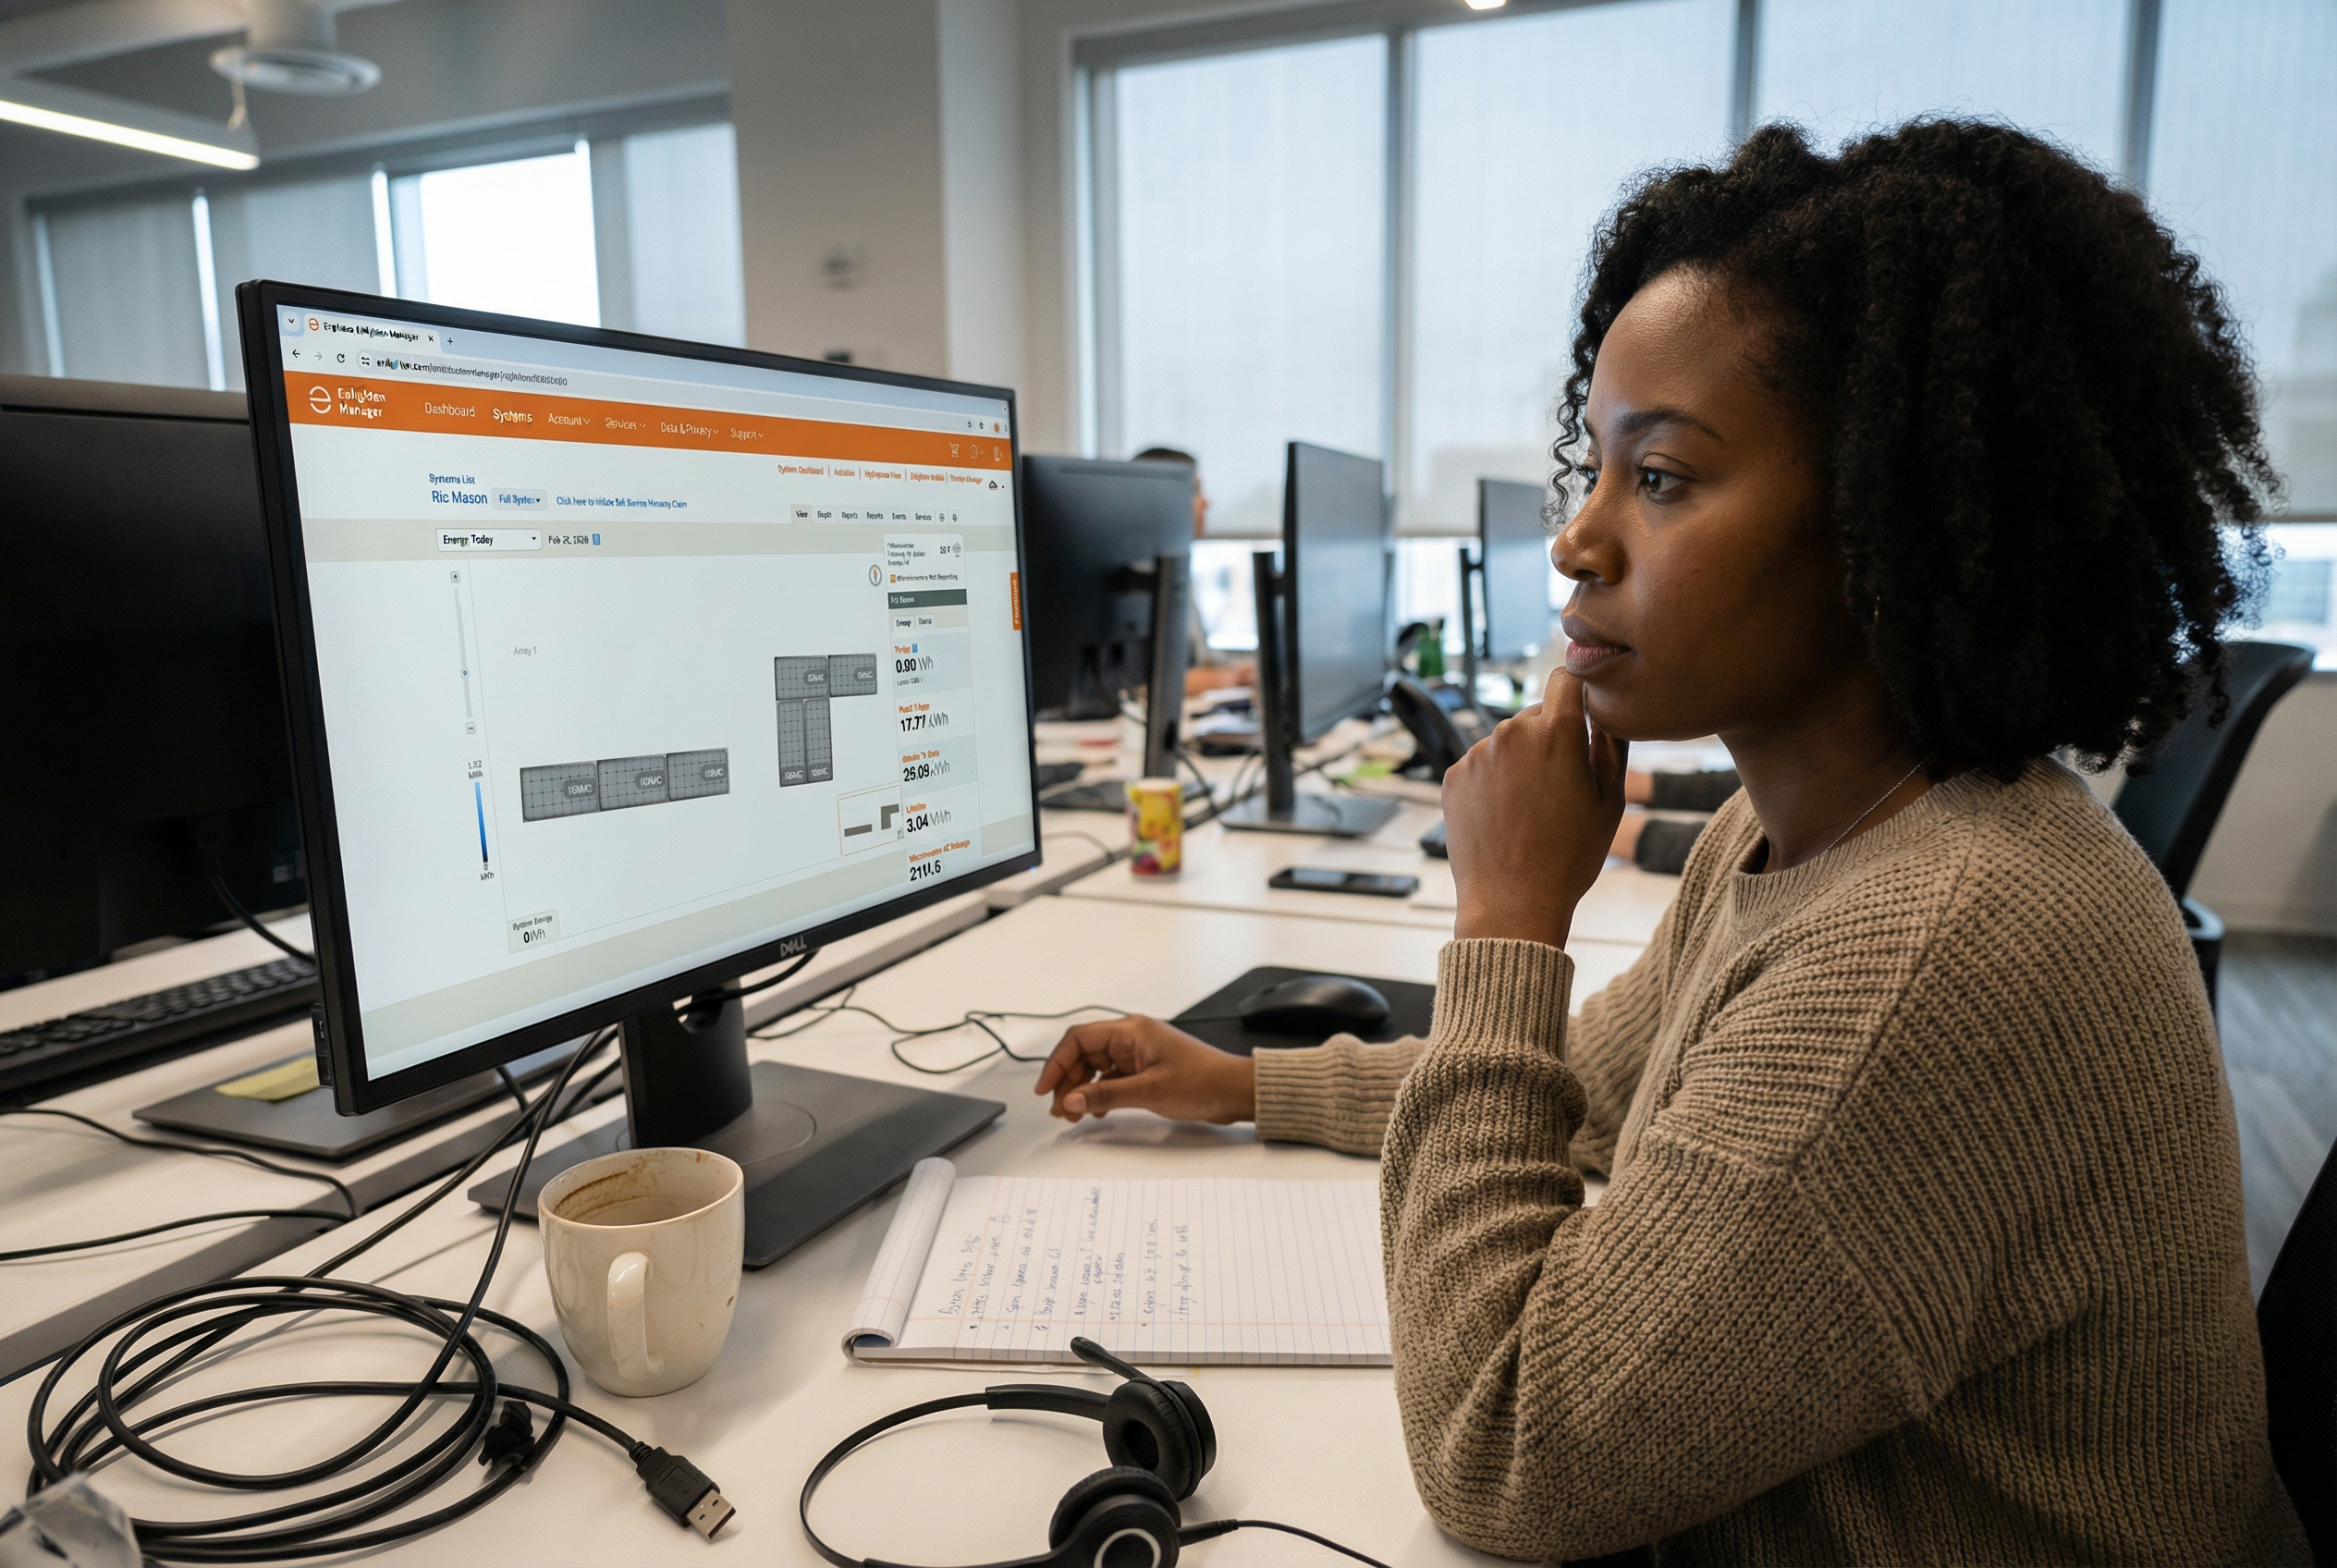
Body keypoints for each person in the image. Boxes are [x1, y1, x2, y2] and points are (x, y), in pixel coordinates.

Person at [1037, 121, 2306, 1562]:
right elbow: (1580, 1091)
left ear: (1890, 521)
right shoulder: (1796, 836)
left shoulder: (1944, 945)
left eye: (1664, 478)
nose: (1577, 541)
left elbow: (1505, 1456)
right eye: (1598, 465)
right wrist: (1246, 1084)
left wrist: (1507, 922)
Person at [1131, 445, 1256, 695]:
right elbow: (1138, 687)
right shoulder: (1131, 580)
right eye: (1196, 491)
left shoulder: (1175, 570)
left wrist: (1242, 672)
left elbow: (1201, 660)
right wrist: (1230, 678)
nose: (1207, 502)